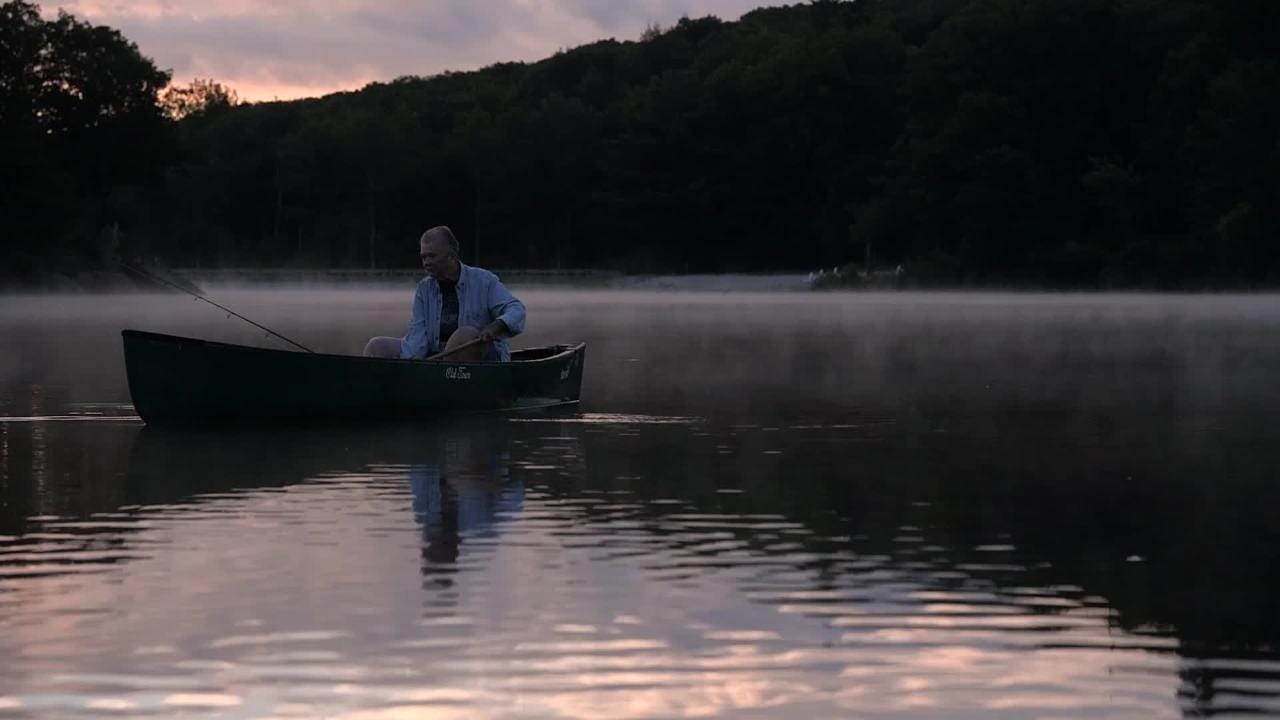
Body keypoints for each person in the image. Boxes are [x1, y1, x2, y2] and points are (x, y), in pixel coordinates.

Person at [363, 226, 525, 363]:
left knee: (465, 335)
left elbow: (516, 309)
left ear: (452, 255)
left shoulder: (484, 281)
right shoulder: (424, 289)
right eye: (423, 257)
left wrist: (495, 327)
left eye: (432, 256)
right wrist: (409, 362)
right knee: (376, 346)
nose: (426, 262)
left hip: (482, 361)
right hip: (438, 360)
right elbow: (417, 336)